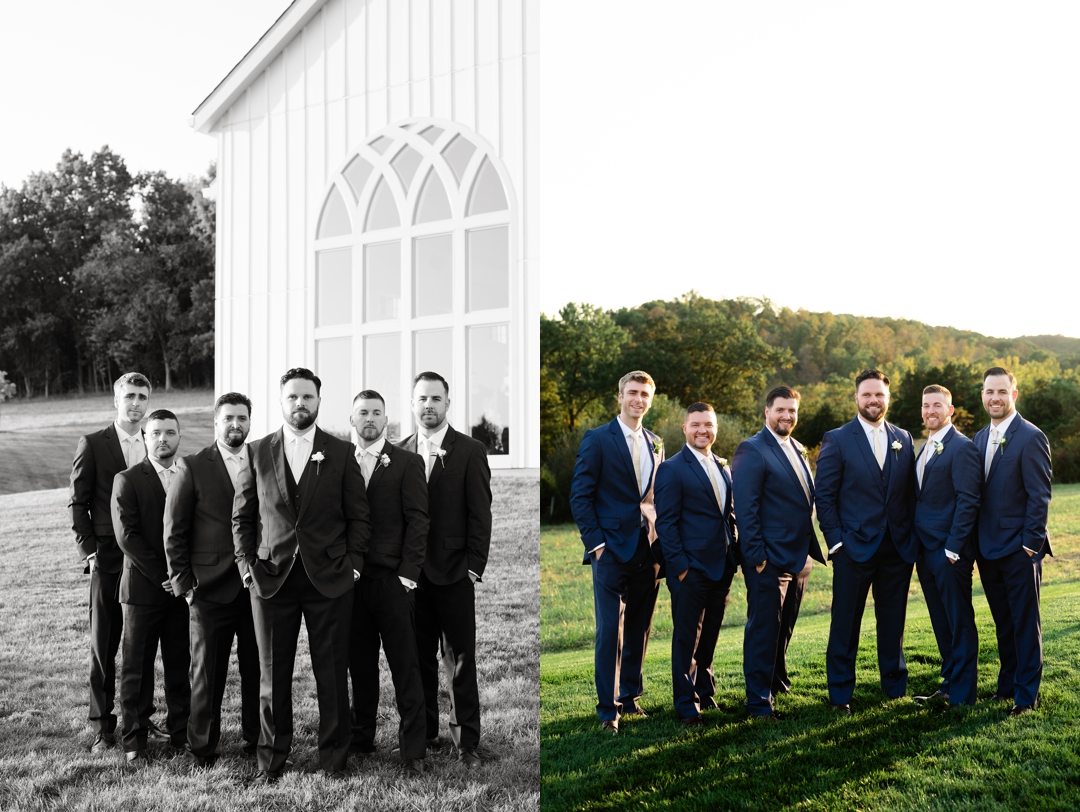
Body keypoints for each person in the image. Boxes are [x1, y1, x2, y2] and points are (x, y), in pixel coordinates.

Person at [233, 368, 371, 782]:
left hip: (329, 578)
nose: (300, 404)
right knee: (271, 675)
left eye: (307, 397)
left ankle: (333, 759)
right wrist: (246, 568)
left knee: (331, 672)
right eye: (292, 397)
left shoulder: (341, 452)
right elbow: (241, 518)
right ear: (281, 401)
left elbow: (358, 517)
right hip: (271, 578)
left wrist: (354, 567)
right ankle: (272, 759)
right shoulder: (256, 452)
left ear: (318, 402)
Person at [396, 372, 492, 767]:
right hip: (411, 578)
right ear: (413, 403)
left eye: (436, 398)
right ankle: (427, 732)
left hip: (454, 573)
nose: (429, 405)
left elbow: (480, 513)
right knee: (418, 659)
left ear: (447, 404)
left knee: (460, 660)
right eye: (422, 399)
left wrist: (473, 567)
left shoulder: (469, 450)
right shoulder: (399, 451)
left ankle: (466, 741)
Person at [69, 371, 167, 752]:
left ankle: (141, 719)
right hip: (107, 561)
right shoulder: (93, 444)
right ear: (116, 400)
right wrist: (89, 551)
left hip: (147, 562)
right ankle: (101, 726)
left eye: (143, 396)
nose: (136, 403)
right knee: (104, 646)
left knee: (140, 644)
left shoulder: (155, 440)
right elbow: (78, 502)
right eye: (129, 396)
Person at [164, 392, 261, 767]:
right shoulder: (192, 465)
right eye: (228, 418)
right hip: (207, 589)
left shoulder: (263, 460)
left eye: (241, 418)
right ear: (215, 423)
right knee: (207, 674)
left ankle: (257, 739)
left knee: (257, 668)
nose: (235, 424)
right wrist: (184, 586)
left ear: (250, 422)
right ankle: (201, 747)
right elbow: (174, 531)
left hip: (256, 587)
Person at [815, 368, 917, 713]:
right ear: (856, 398)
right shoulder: (837, 438)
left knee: (893, 622)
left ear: (888, 398)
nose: (873, 400)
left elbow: (908, 495)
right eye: (867, 395)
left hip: (897, 549)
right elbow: (824, 497)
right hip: (853, 549)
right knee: (845, 623)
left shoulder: (903, 437)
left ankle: (894, 688)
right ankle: (840, 694)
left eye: (879, 395)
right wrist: (836, 543)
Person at [570, 370, 665, 733]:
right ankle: (608, 710)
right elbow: (580, 496)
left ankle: (630, 697)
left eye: (644, 394)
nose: (638, 399)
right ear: (620, 397)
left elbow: (654, 497)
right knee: (611, 630)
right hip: (609, 551)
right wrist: (596, 544)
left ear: (650, 399)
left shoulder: (657, 442)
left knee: (640, 627)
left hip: (648, 550)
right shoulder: (597, 439)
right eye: (632, 393)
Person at [347, 390, 429, 777]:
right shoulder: (338, 461)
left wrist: (408, 576)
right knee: (359, 665)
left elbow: (418, 521)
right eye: (363, 412)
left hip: (393, 581)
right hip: (351, 583)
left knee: (404, 665)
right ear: (352, 418)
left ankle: (413, 748)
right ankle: (361, 738)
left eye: (377, 412)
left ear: (387, 420)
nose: (370, 418)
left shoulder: (407, 462)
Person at [731, 386, 824, 721]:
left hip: (799, 557)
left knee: (784, 627)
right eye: (781, 410)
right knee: (764, 630)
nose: (787, 416)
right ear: (767, 412)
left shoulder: (797, 447)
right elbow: (745, 506)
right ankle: (758, 702)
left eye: (793, 411)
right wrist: (756, 557)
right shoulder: (752, 449)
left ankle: (776, 680)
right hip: (768, 559)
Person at [111, 409, 191, 761]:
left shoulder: (190, 475)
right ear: (145, 437)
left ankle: (181, 734)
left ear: (178, 436)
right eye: (156, 432)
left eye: (170, 432)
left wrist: (182, 579)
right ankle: (133, 740)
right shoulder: (127, 479)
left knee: (180, 664)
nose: (163, 438)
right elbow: (127, 537)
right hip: (143, 591)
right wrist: (167, 576)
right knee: (135, 668)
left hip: (181, 593)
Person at [974, 367, 1052, 716]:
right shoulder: (978, 438)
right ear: (982, 395)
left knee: (1024, 622)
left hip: (1020, 549)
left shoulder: (1030, 436)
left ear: (1014, 396)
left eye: (1002, 392)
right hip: (987, 548)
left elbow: (1040, 495)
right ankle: (1006, 686)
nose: (995, 398)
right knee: (1003, 622)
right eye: (990, 392)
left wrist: (1030, 545)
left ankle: (1026, 695)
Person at [653, 402, 737, 727]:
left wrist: (735, 551)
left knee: (710, 636)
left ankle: (706, 692)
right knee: (687, 638)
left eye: (709, 424)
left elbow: (727, 514)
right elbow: (667, 523)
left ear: (715, 428)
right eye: (696, 424)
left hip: (722, 567)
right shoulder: (672, 469)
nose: (703, 430)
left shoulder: (722, 465)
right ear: (685, 429)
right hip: (690, 570)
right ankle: (687, 704)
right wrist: (681, 567)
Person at [910, 385, 981, 709]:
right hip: (925, 551)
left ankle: (963, 695)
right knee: (941, 621)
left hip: (949, 552)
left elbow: (969, 500)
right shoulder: (924, 447)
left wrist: (953, 548)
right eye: (925, 406)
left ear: (950, 410)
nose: (930, 411)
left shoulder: (961, 447)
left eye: (937, 405)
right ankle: (950, 684)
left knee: (959, 621)